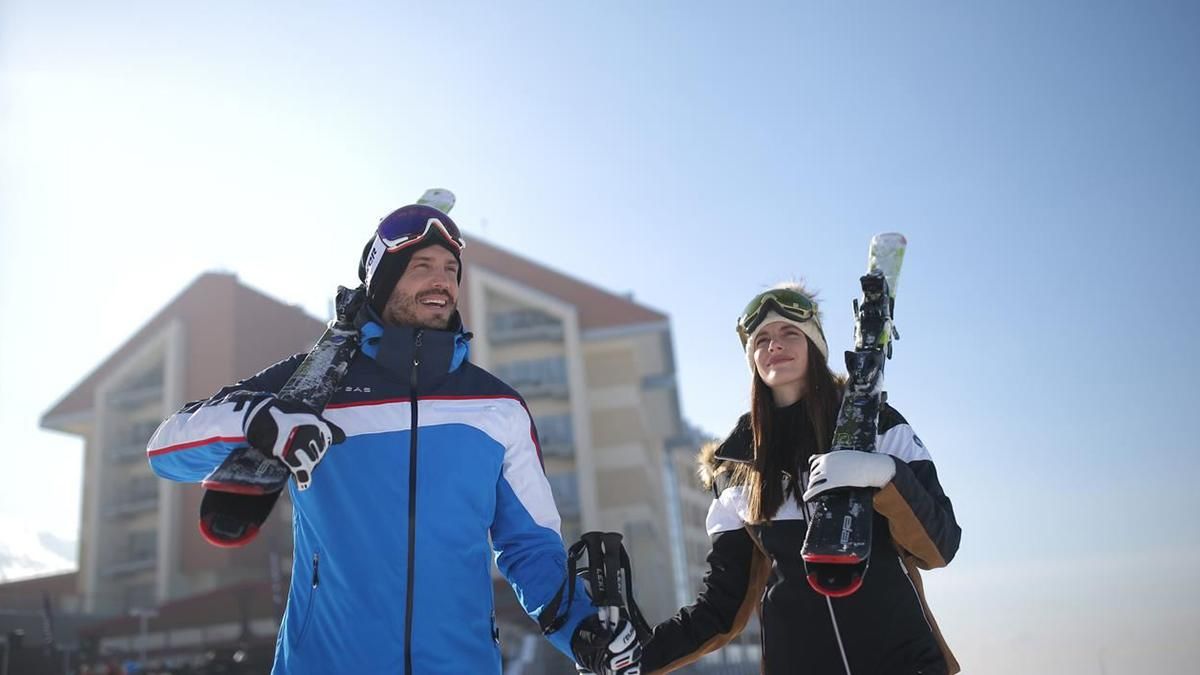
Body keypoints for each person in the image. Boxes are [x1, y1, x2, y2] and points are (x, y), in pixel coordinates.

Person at [146, 202, 641, 674]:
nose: (442, 280)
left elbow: (529, 546)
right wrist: (261, 421)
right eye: (421, 266)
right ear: (382, 284)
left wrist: (582, 630)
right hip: (325, 664)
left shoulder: (497, 408)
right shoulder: (311, 389)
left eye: (450, 269)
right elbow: (167, 447)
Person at [641, 283, 962, 675]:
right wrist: (635, 659)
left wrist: (884, 475)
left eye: (790, 332)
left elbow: (940, 545)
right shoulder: (736, 469)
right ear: (752, 359)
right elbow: (721, 610)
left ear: (815, 345)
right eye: (762, 339)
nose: (775, 344)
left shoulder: (876, 426)